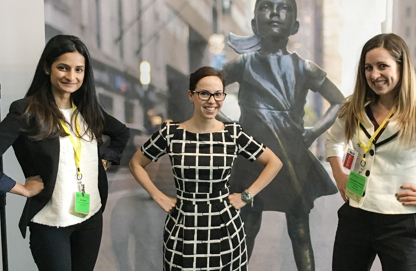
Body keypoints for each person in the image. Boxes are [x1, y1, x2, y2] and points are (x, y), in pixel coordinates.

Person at [221, 0, 344, 269]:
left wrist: (314, 131)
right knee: (246, 229)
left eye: (284, 7)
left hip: (292, 160)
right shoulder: (243, 63)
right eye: (266, 6)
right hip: (251, 162)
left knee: (300, 231)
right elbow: (203, 89)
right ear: (254, 24)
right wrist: (229, 126)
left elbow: (339, 101)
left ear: (296, 25)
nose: (275, 13)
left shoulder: (305, 68)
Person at [325, 33, 416, 271]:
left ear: (401, 66)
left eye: (382, 66)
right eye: (368, 67)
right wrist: (340, 175)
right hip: (356, 217)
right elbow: (333, 141)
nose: (374, 75)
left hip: (403, 224)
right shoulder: (353, 107)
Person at [129, 66, 282, 271]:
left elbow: (274, 162)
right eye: (204, 93)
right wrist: (158, 195)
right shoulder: (171, 134)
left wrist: (246, 196)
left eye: (218, 94)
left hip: (225, 225)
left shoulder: (232, 134)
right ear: (191, 95)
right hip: (183, 224)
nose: (212, 101)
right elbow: (136, 163)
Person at [0, 34, 130, 271]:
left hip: (90, 218)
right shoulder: (27, 111)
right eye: (63, 68)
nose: (72, 76)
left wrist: (106, 160)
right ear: (47, 67)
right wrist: (19, 188)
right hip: (51, 224)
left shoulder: (88, 110)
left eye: (79, 69)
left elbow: (121, 133)